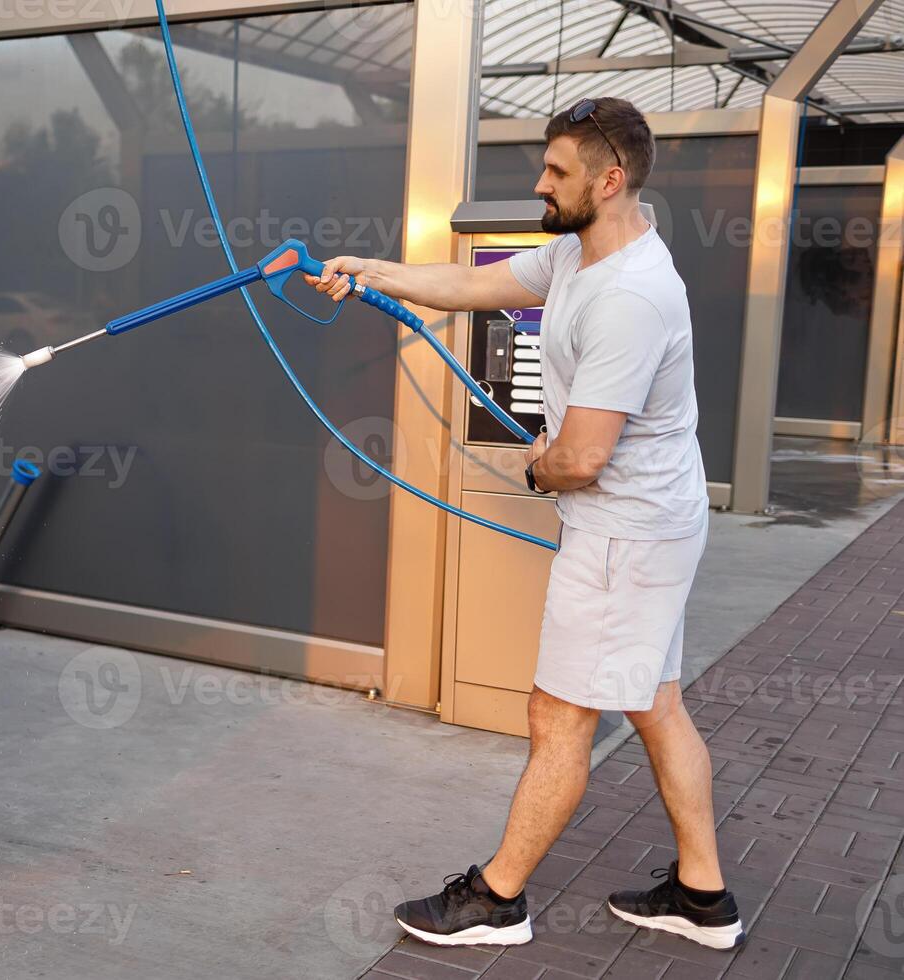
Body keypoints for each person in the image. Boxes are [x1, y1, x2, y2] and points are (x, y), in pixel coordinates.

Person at [307, 97, 744, 951]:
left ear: (609, 180)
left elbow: (580, 458)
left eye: (557, 172)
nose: (540, 183)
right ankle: (702, 895)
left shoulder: (633, 297)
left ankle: (496, 899)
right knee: (655, 704)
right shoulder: (582, 255)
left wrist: (538, 464)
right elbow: (477, 285)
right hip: (645, 524)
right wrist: (371, 270)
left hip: (626, 535)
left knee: (560, 717)